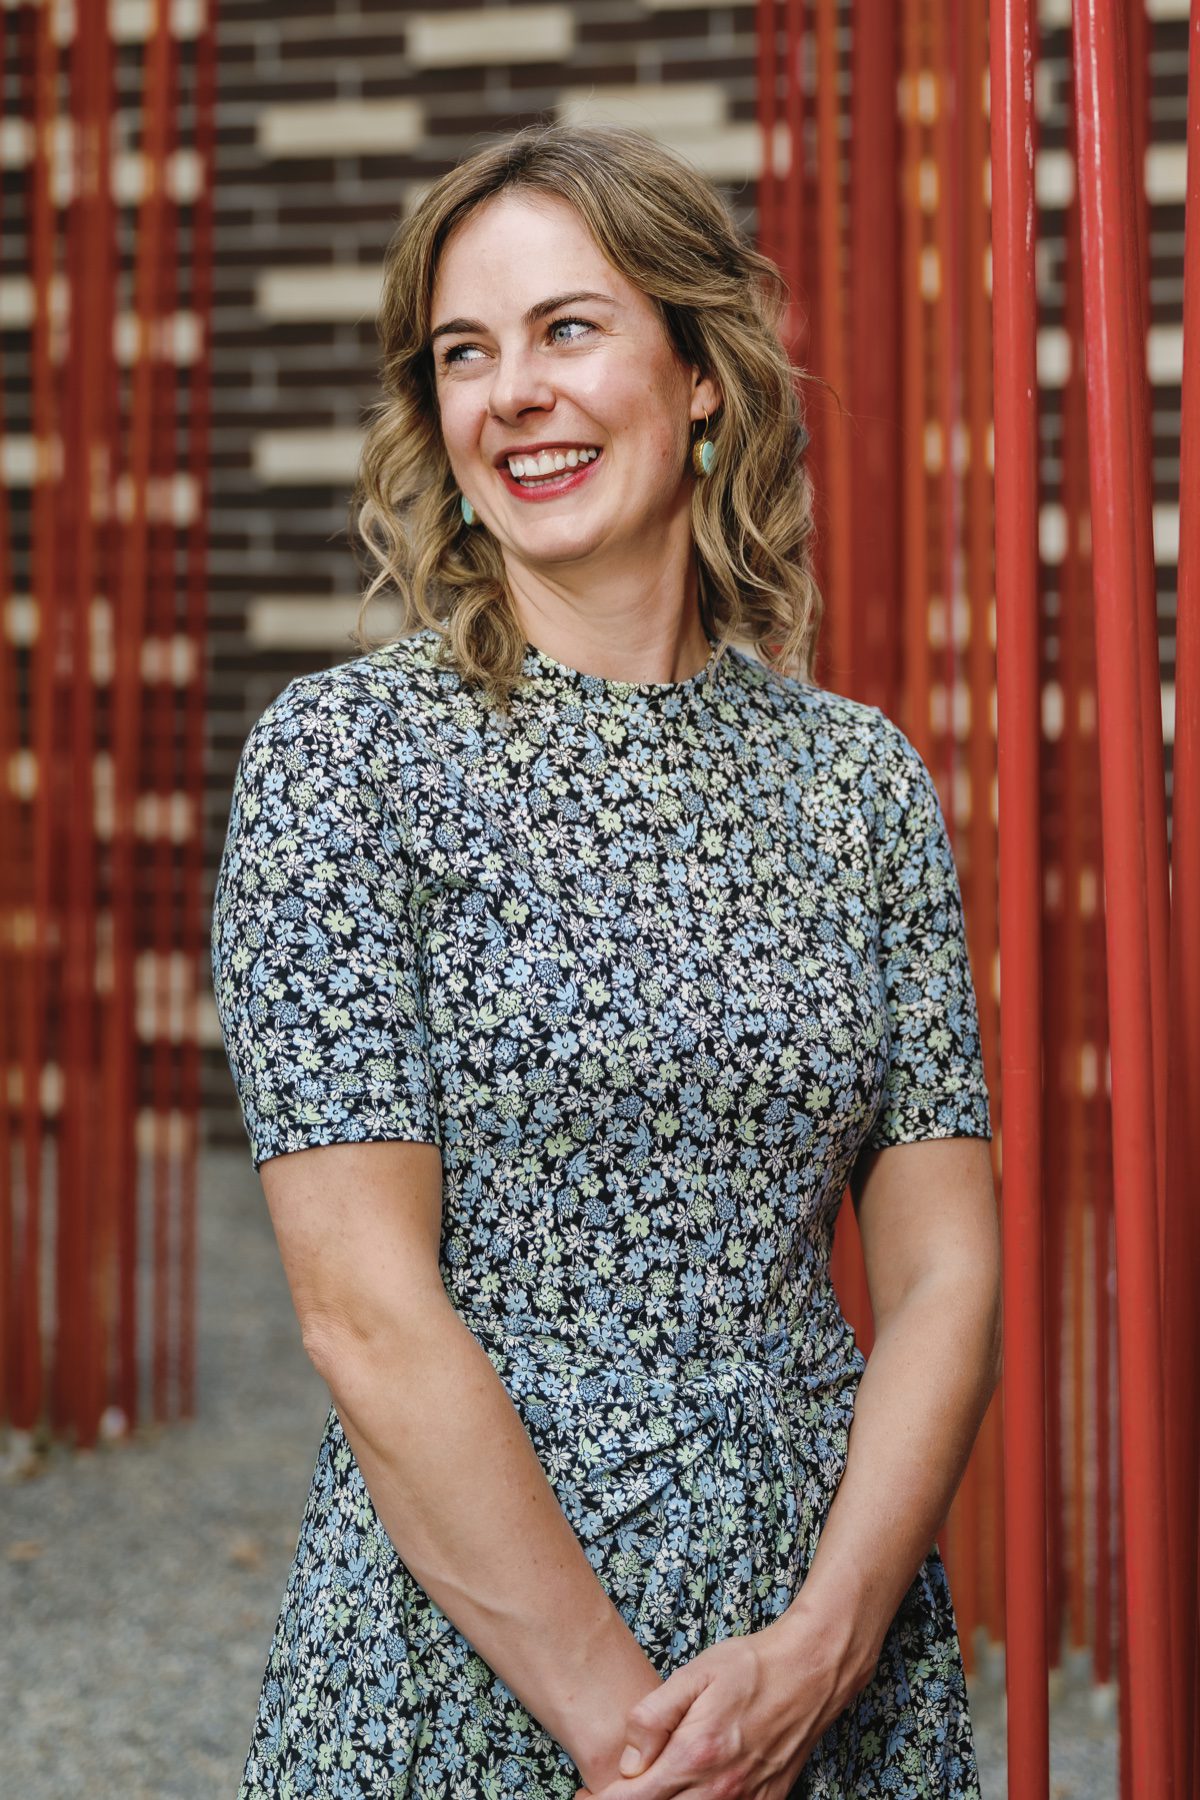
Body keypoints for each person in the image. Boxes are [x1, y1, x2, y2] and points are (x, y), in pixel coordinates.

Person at [211, 120, 1001, 1800]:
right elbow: (360, 1303)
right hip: (478, 1665)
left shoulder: (857, 780)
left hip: (823, 1653)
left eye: (569, 329)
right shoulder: (345, 764)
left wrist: (830, 1644)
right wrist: (633, 1739)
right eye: (463, 355)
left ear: (700, 372)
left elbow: (944, 1271)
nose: (513, 394)